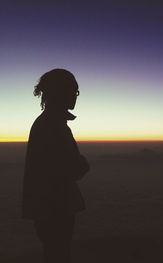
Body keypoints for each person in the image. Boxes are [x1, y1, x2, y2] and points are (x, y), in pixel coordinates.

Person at [22, 68, 89, 263]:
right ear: (60, 92)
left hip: (48, 210)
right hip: (55, 210)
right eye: (72, 91)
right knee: (58, 254)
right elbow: (67, 170)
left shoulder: (48, 123)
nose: (75, 96)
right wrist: (82, 164)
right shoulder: (53, 125)